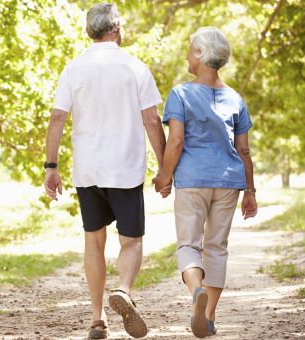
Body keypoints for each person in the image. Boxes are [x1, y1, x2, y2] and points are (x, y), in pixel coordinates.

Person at [44, 3, 166, 339]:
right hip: (124, 169)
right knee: (132, 241)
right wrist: (166, 166)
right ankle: (124, 290)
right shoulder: (134, 66)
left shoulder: (73, 68)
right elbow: (152, 120)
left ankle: (98, 320)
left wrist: (51, 167)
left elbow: (57, 118)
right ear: (115, 29)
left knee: (93, 241)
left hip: (88, 169)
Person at [153, 27, 258, 338]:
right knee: (216, 248)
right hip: (228, 182)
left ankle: (196, 290)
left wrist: (164, 175)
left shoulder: (181, 94)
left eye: (189, 49)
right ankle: (209, 316)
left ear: (199, 54)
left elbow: (176, 142)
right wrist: (250, 191)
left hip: (193, 180)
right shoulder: (236, 98)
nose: (186, 55)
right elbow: (244, 149)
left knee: (189, 244)